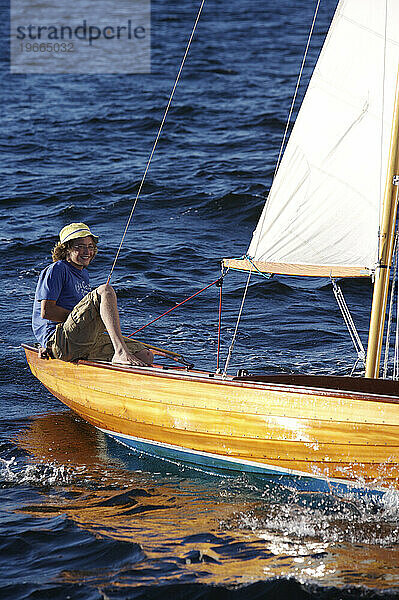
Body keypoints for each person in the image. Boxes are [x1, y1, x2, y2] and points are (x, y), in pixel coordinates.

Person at [32, 222, 153, 367]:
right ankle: (120, 352)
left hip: (79, 339)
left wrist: (90, 323)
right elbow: (47, 312)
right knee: (105, 291)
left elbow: (81, 316)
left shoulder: (83, 274)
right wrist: (46, 343)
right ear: (66, 249)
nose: (87, 251)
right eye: (80, 247)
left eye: (90, 246)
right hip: (59, 341)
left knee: (144, 355)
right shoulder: (57, 269)